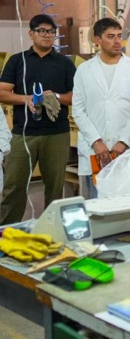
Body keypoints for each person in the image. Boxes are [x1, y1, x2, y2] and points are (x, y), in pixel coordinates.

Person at [0, 14, 76, 225]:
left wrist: (56, 97)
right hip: (24, 134)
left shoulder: (65, 63)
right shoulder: (17, 61)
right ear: (31, 33)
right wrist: (26, 99)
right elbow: (2, 92)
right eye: (42, 31)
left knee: (55, 187)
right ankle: (5, 232)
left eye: (52, 32)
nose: (47, 35)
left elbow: (75, 96)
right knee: (14, 186)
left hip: (57, 134)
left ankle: (52, 231)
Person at [72, 18, 130, 198]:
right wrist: (96, 143)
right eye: (110, 36)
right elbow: (78, 110)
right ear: (97, 40)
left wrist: (123, 142)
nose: (117, 41)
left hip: (126, 148)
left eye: (119, 36)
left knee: (129, 201)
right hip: (95, 150)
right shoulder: (84, 70)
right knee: (97, 202)